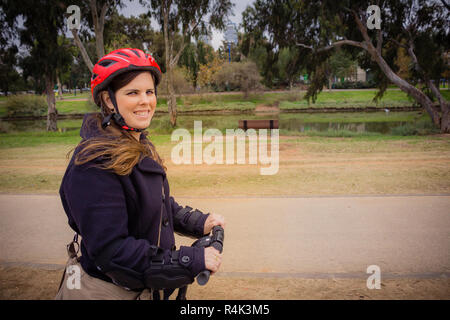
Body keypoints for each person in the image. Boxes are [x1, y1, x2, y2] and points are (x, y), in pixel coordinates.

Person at [55, 48, 225, 300]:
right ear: (109, 100)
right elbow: (113, 250)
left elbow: (155, 204)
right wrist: (190, 259)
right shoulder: (92, 164)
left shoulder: (136, 144)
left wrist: (198, 222)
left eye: (149, 92)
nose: (145, 101)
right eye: (132, 92)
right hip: (111, 292)